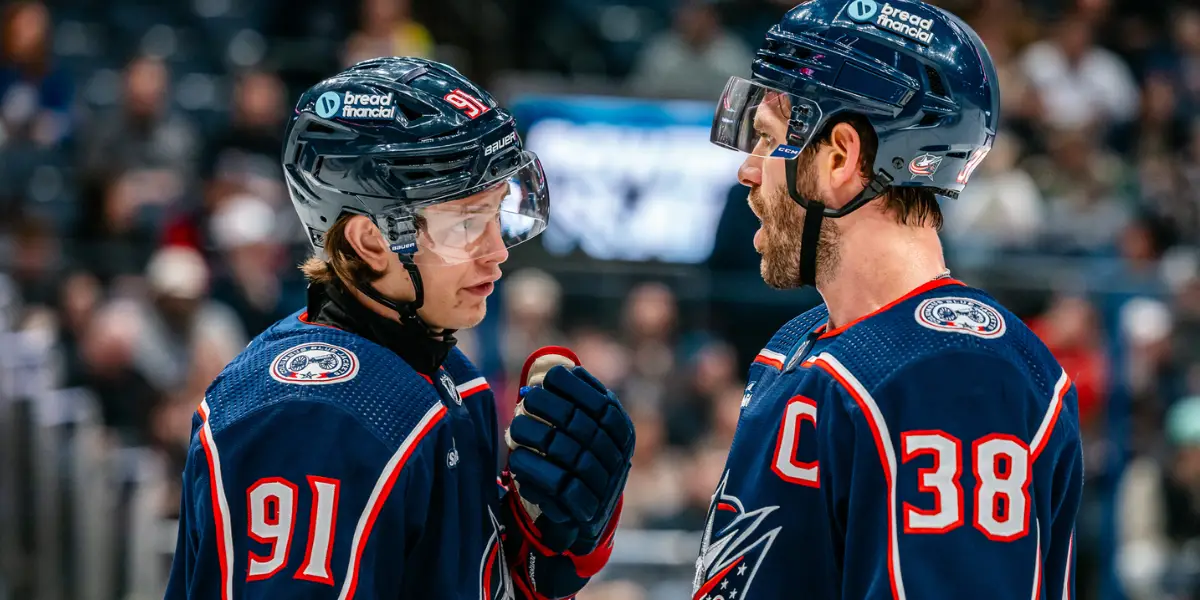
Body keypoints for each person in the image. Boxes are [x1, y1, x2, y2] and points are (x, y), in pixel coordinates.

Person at [165, 57, 635, 600]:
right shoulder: (311, 417)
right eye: (466, 223)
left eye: (496, 213)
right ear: (367, 241)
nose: (497, 253)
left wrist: (540, 556)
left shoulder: (449, 375)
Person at [692, 1, 1082, 599]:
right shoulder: (795, 343)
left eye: (768, 141)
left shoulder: (956, 374)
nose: (748, 170)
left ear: (842, 158)